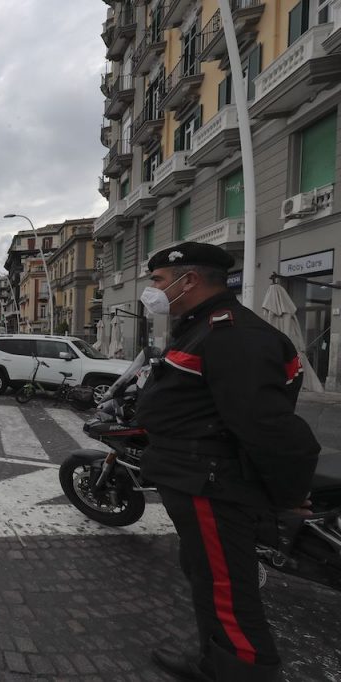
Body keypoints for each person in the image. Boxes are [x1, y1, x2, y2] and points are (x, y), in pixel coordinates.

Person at [133, 242, 320, 681]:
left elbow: (269, 426)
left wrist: (290, 496)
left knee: (225, 588)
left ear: (189, 280)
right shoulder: (201, 327)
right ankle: (213, 661)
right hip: (196, 479)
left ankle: (242, 672)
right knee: (206, 575)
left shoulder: (233, 335)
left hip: (211, 482)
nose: (153, 290)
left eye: (159, 281)